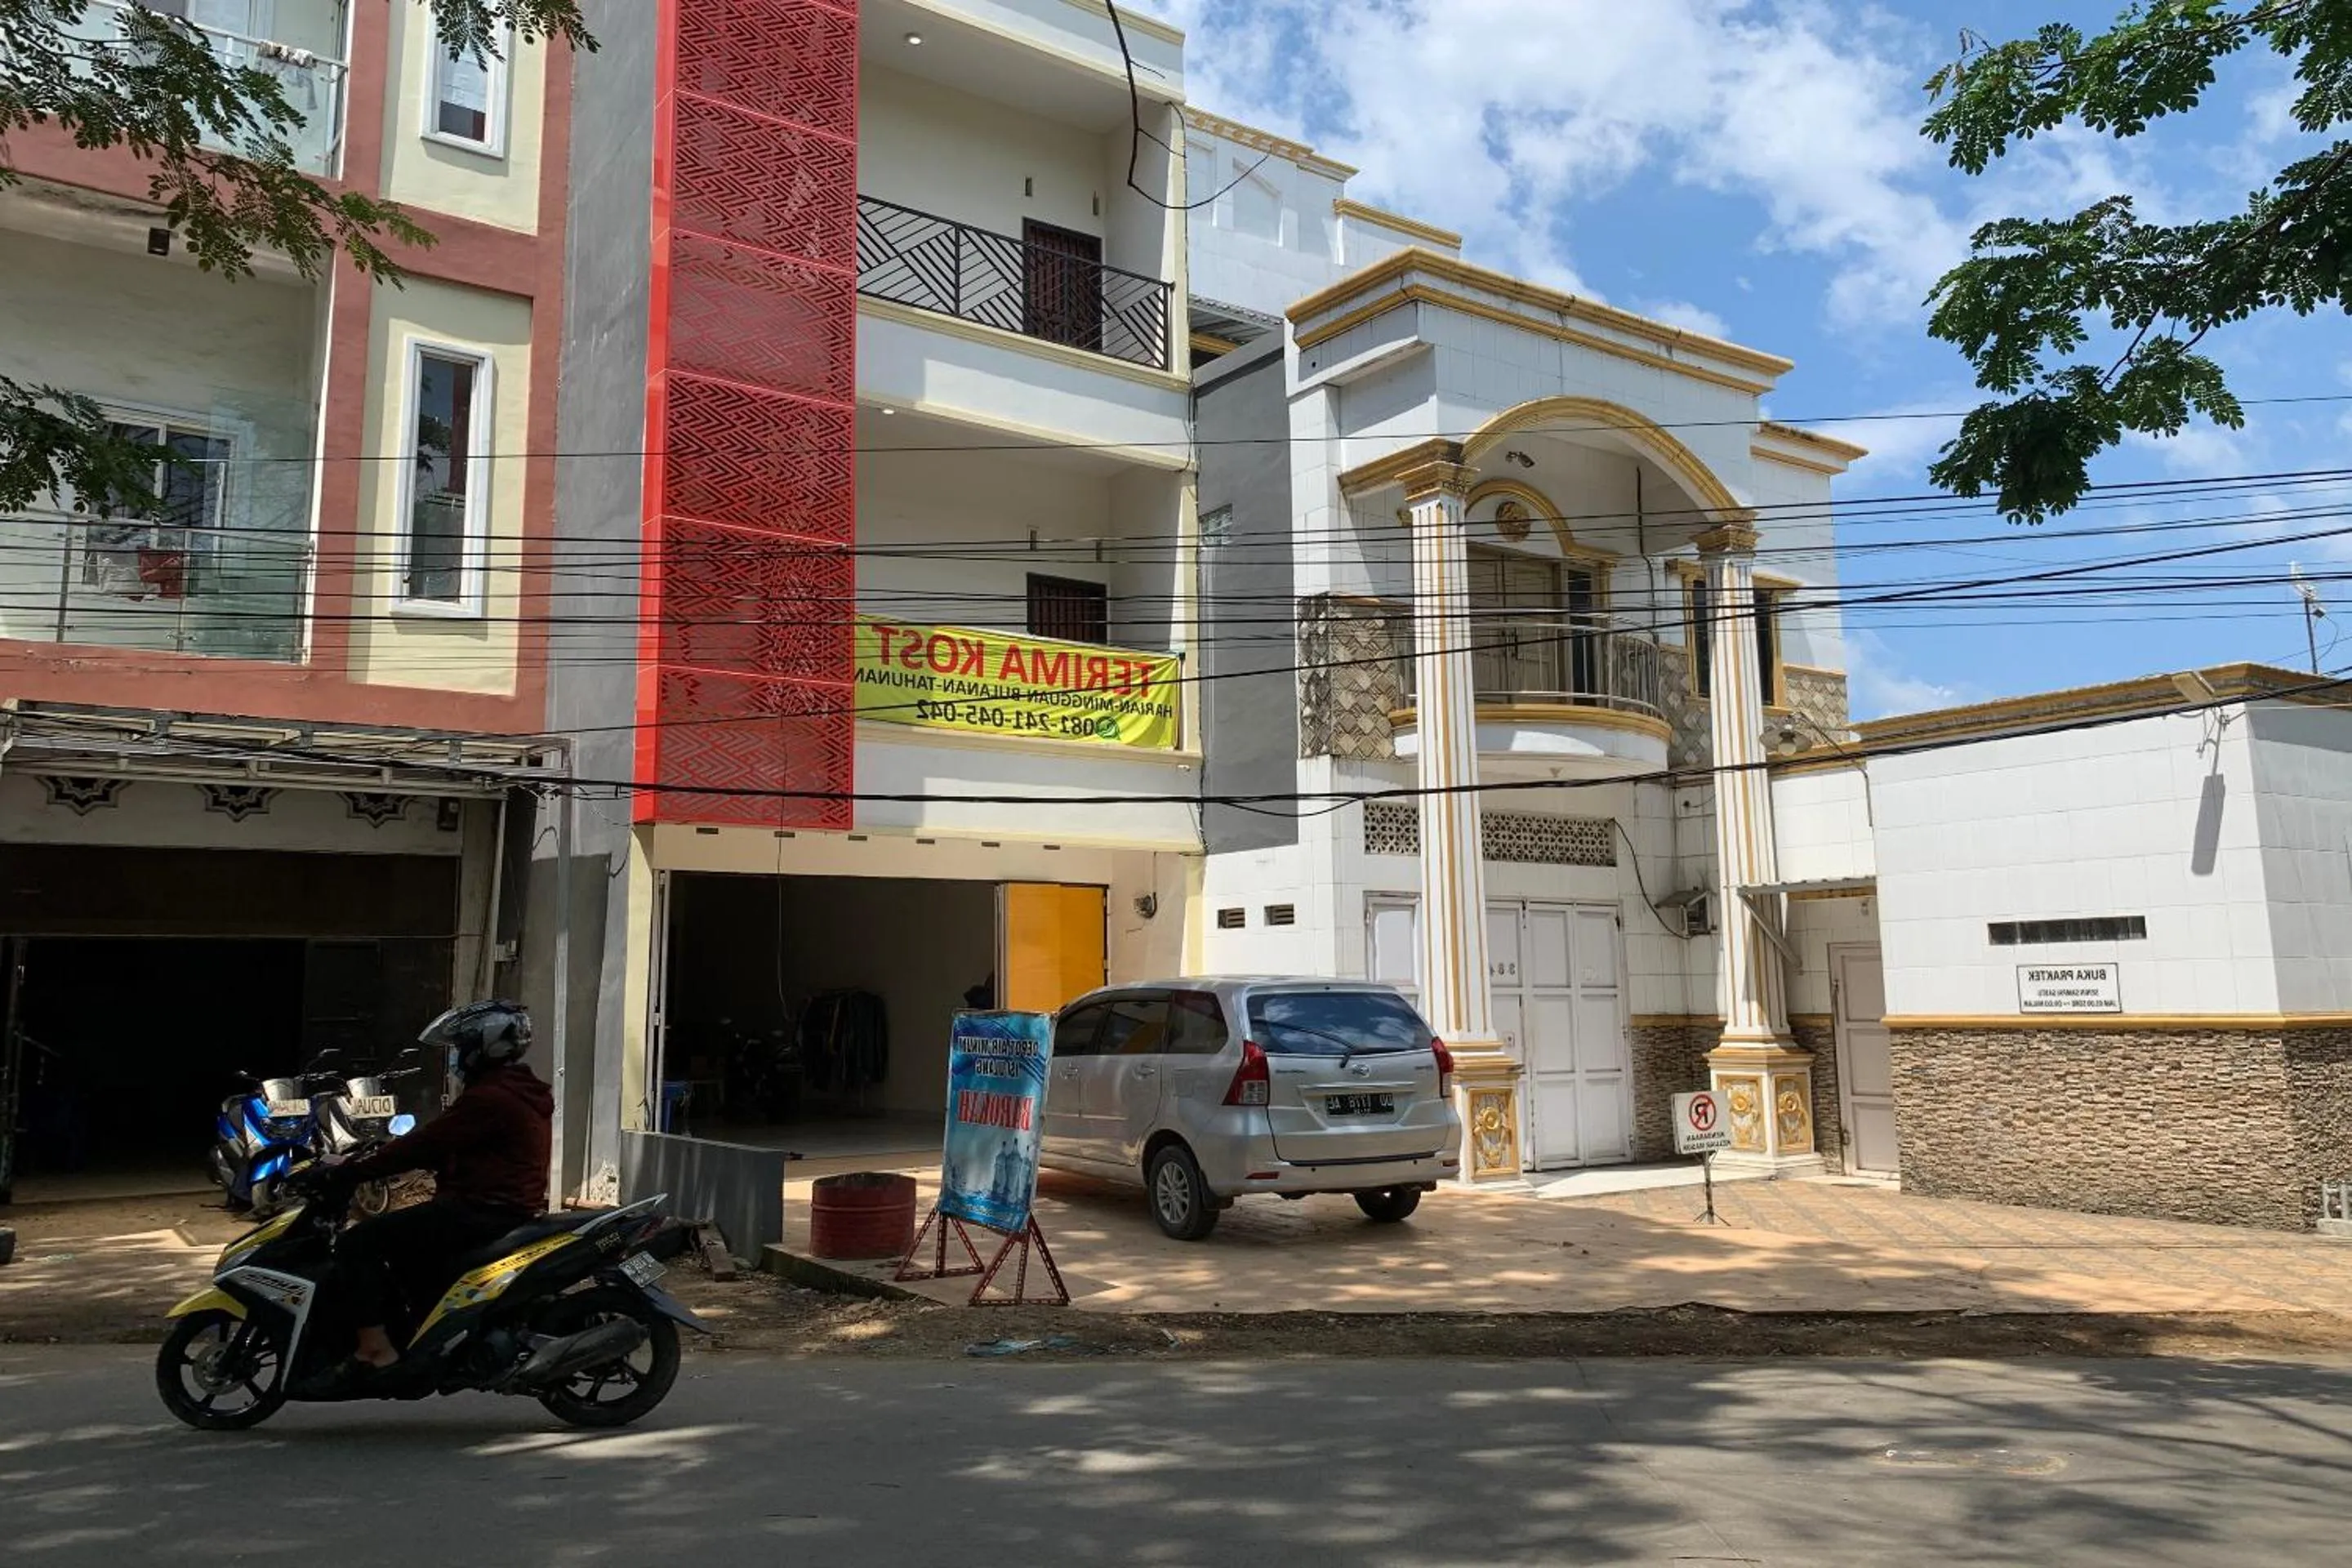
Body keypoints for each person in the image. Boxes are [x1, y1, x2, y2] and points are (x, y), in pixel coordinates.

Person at [309, 999, 552, 1388]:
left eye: (461, 1048)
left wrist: (351, 1171)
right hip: (499, 1206)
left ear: (484, 1048)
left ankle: (375, 1350)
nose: (455, 1058)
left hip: (481, 1210)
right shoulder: (517, 1090)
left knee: (358, 1243)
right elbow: (453, 1146)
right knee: (407, 1258)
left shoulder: (488, 1098)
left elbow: (424, 1144)